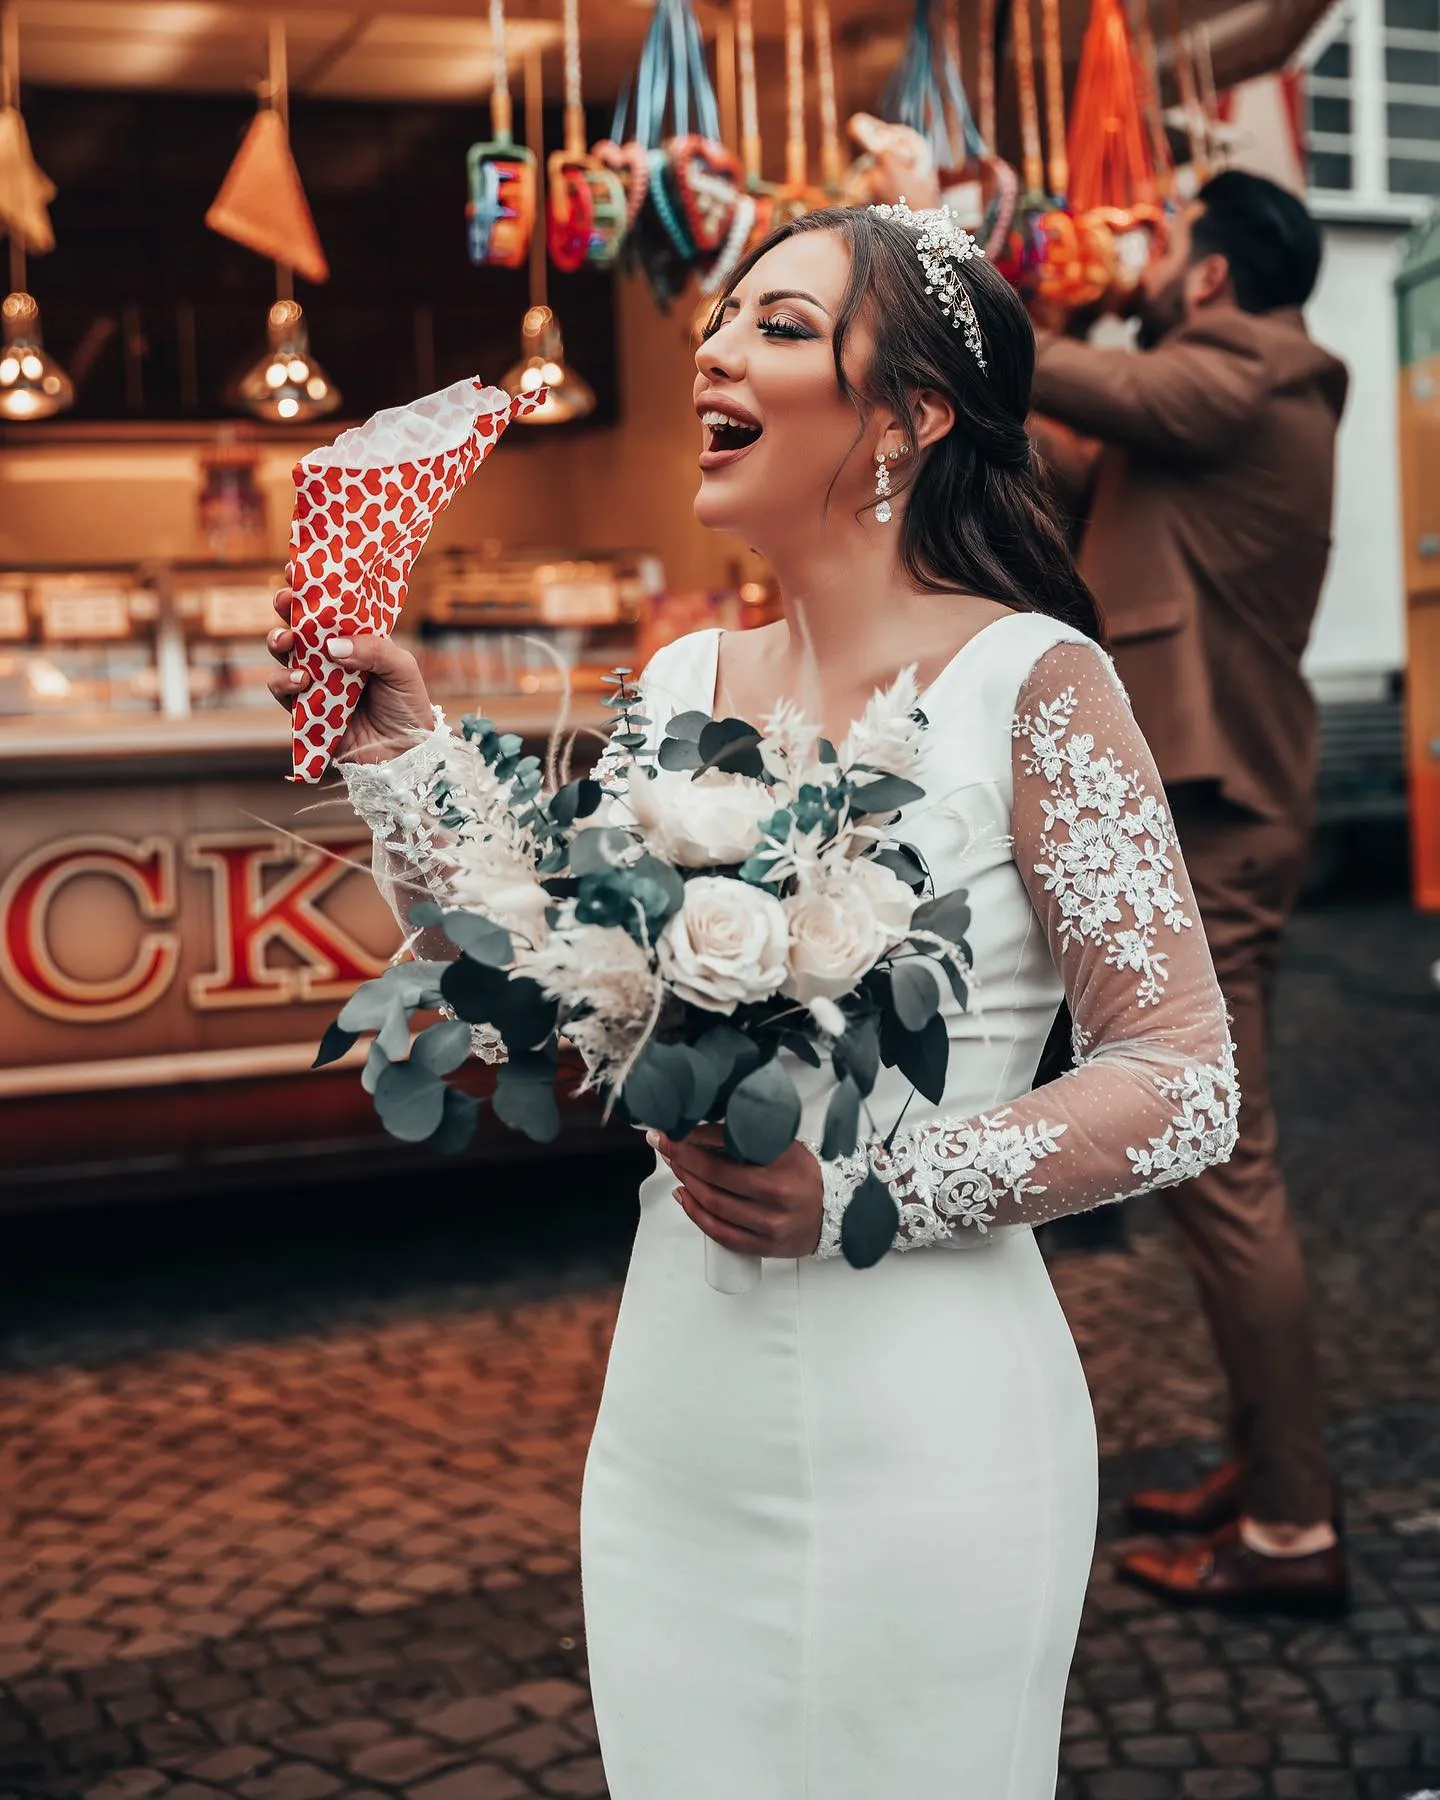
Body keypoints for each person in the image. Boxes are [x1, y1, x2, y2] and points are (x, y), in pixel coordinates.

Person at [267, 204, 1239, 1798]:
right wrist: (409, 759)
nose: (712, 350)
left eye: (780, 326)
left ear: (911, 419)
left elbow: (1185, 1074)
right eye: (724, 319)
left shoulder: (1033, 680)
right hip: (678, 1416)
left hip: (933, 1421)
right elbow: (535, 959)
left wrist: (858, 1190)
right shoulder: (675, 680)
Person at [1028, 170, 1351, 1611]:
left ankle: (1291, 1529)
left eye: (1166, 247)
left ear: (1212, 278)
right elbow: (1074, 472)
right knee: (1217, 1171)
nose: (1147, 263)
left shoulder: (1246, 373)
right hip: (1205, 802)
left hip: (1218, 816)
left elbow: (1079, 382)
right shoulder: (1210, 399)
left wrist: (954, 271)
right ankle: (1266, 1461)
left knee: (1226, 1172)